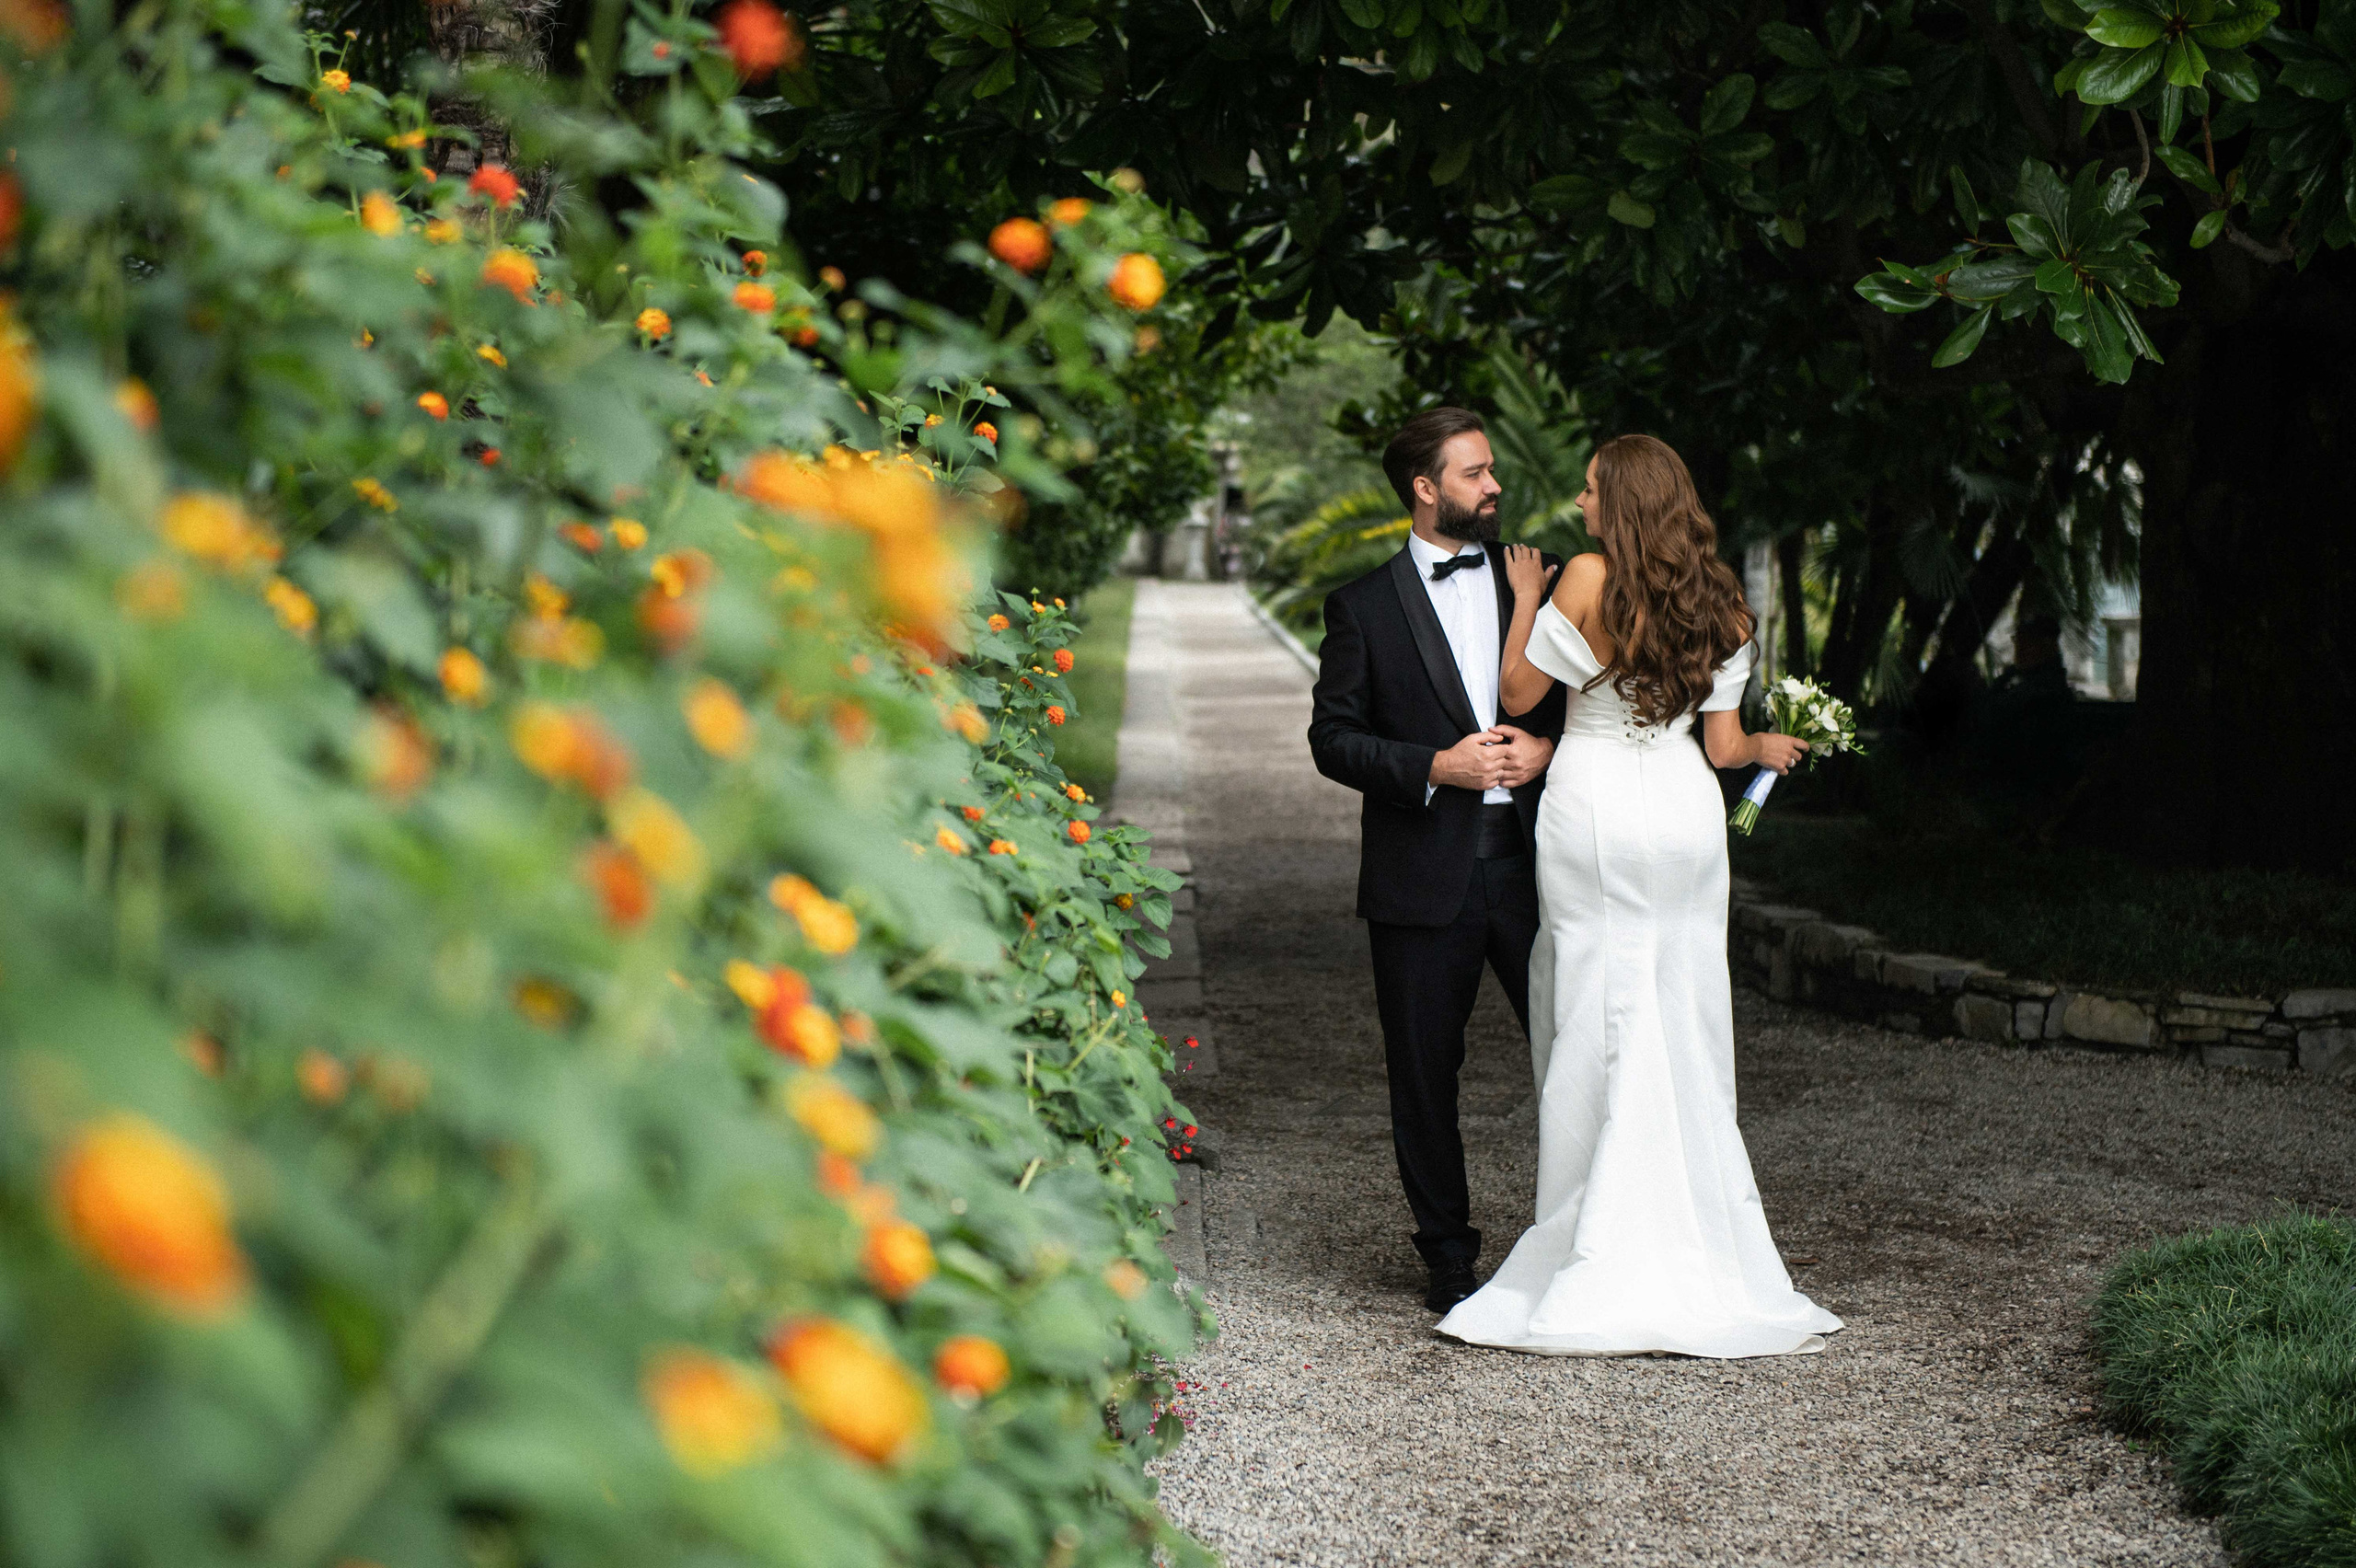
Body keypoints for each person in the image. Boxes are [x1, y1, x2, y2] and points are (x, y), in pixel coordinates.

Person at [1437, 432, 1843, 1358]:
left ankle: (1598, 1233)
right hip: (1687, 815)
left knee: (1595, 1001)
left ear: (1621, 504)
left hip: (1597, 808)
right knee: (1682, 1006)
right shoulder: (1723, 601)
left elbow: (1517, 692)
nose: (1580, 504)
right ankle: (1698, 1237)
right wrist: (1768, 748)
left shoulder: (1585, 577)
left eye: (1591, 490)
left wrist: (1527, 596)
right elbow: (1724, 748)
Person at [1307, 408, 1568, 1313]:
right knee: (1423, 1076)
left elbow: (1599, 701)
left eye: (1491, 469)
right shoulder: (1361, 607)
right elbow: (1332, 740)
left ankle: (1586, 1245)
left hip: (1540, 867)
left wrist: (1547, 750)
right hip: (1420, 877)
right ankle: (1448, 1259)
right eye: (1473, 473)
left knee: (1576, 1054)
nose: (1494, 486)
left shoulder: (1542, 579)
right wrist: (1434, 767)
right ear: (1425, 489)